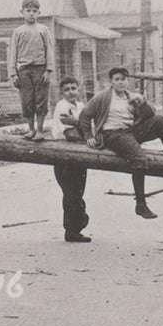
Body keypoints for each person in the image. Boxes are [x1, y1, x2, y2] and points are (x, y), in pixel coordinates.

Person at [79, 66, 163, 219]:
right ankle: (140, 205)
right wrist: (88, 135)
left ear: (127, 81)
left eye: (123, 79)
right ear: (111, 82)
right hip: (113, 133)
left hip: (131, 130)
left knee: (161, 121)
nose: (121, 82)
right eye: (117, 79)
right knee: (139, 158)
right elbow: (84, 115)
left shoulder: (131, 96)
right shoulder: (103, 97)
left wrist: (142, 102)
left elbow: (150, 115)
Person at [50, 77, 90, 242]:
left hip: (80, 156)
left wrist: (79, 124)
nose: (71, 92)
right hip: (64, 155)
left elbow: (90, 128)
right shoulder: (62, 107)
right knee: (71, 192)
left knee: (78, 191)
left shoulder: (81, 107)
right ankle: (72, 230)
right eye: (67, 90)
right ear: (62, 92)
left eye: (73, 88)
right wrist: (84, 130)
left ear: (78, 89)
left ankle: (76, 228)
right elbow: (71, 135)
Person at [10, 0, 54, 141]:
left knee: (40, 100)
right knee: (27, 101)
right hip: (23, 70)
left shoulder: (43, 30)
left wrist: (48, 70)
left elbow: (49, 51)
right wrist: (13, 73)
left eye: (34, 11)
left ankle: (40, 131)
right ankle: (31, 129)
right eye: (28, 11)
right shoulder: (18, 31)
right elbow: (13, 53)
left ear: (39, 13)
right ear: (22, 12)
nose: (31, 14)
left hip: (40, 69)